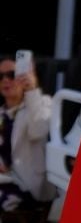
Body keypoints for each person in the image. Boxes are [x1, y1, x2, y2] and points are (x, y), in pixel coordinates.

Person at [0, 53, 53, 213]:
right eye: (0, 76)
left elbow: (37, 131)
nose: (5, 80)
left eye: (12, 74)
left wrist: (31, 91)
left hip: (27, 187)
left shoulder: (43, 103)